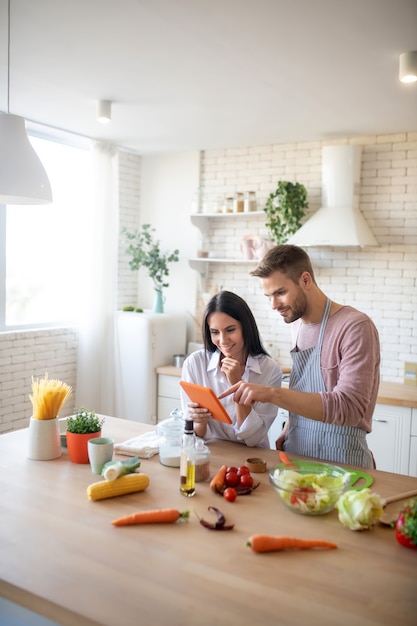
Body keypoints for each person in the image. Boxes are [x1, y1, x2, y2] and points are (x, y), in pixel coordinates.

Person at [218, 245, 380, 469]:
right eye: (269, 297)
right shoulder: (297, 325)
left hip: (343, 462)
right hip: (296, 456)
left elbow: (350, 408)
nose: (274, 305)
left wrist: (273, 394)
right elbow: (307, 390)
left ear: (305, 280)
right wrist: (291, 424)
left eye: (280, 293)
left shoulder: (354, 326)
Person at [180, 290, 282, 448]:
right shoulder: (195, 363)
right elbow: (192, 433)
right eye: (215, 332)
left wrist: (237, 383)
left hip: (252, 458)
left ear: (245, 327)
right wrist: (200, 423)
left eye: (230, 330)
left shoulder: (270, 370)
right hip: (213, 453)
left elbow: (254, 439)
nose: (222, 340)